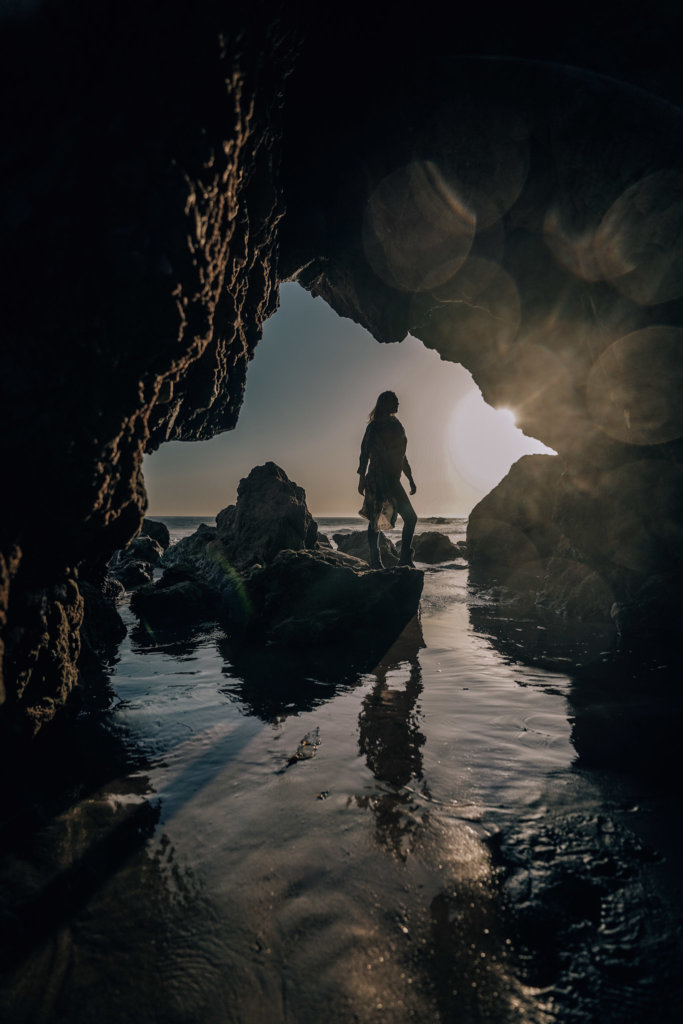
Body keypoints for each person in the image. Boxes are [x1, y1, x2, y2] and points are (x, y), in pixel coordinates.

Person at [357, 390, 417, 569]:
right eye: (395, 401)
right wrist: (361, 478)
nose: (398, 404)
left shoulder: (397, 425)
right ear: (385, 403)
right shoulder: (373, 427)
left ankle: (405, 558)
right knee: (374, 520)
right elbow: (364, 453)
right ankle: (375, 561)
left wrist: (410, 478)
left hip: (393, 480)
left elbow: (402, 456)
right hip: (376, 479)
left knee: (411, 518)